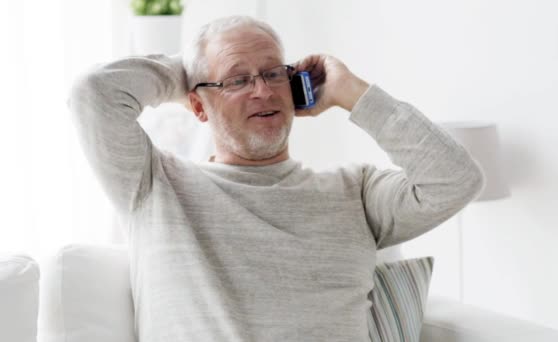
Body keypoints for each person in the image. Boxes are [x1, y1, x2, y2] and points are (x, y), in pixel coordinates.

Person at [68, 15, 484, 342]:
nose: (263, 91)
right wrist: (192, 75)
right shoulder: (156, 187)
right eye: (239, 80)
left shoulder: (353, 193)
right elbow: (94, 93)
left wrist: (350, 92)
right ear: (196, 107)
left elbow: (455, 179)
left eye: (273, 74)